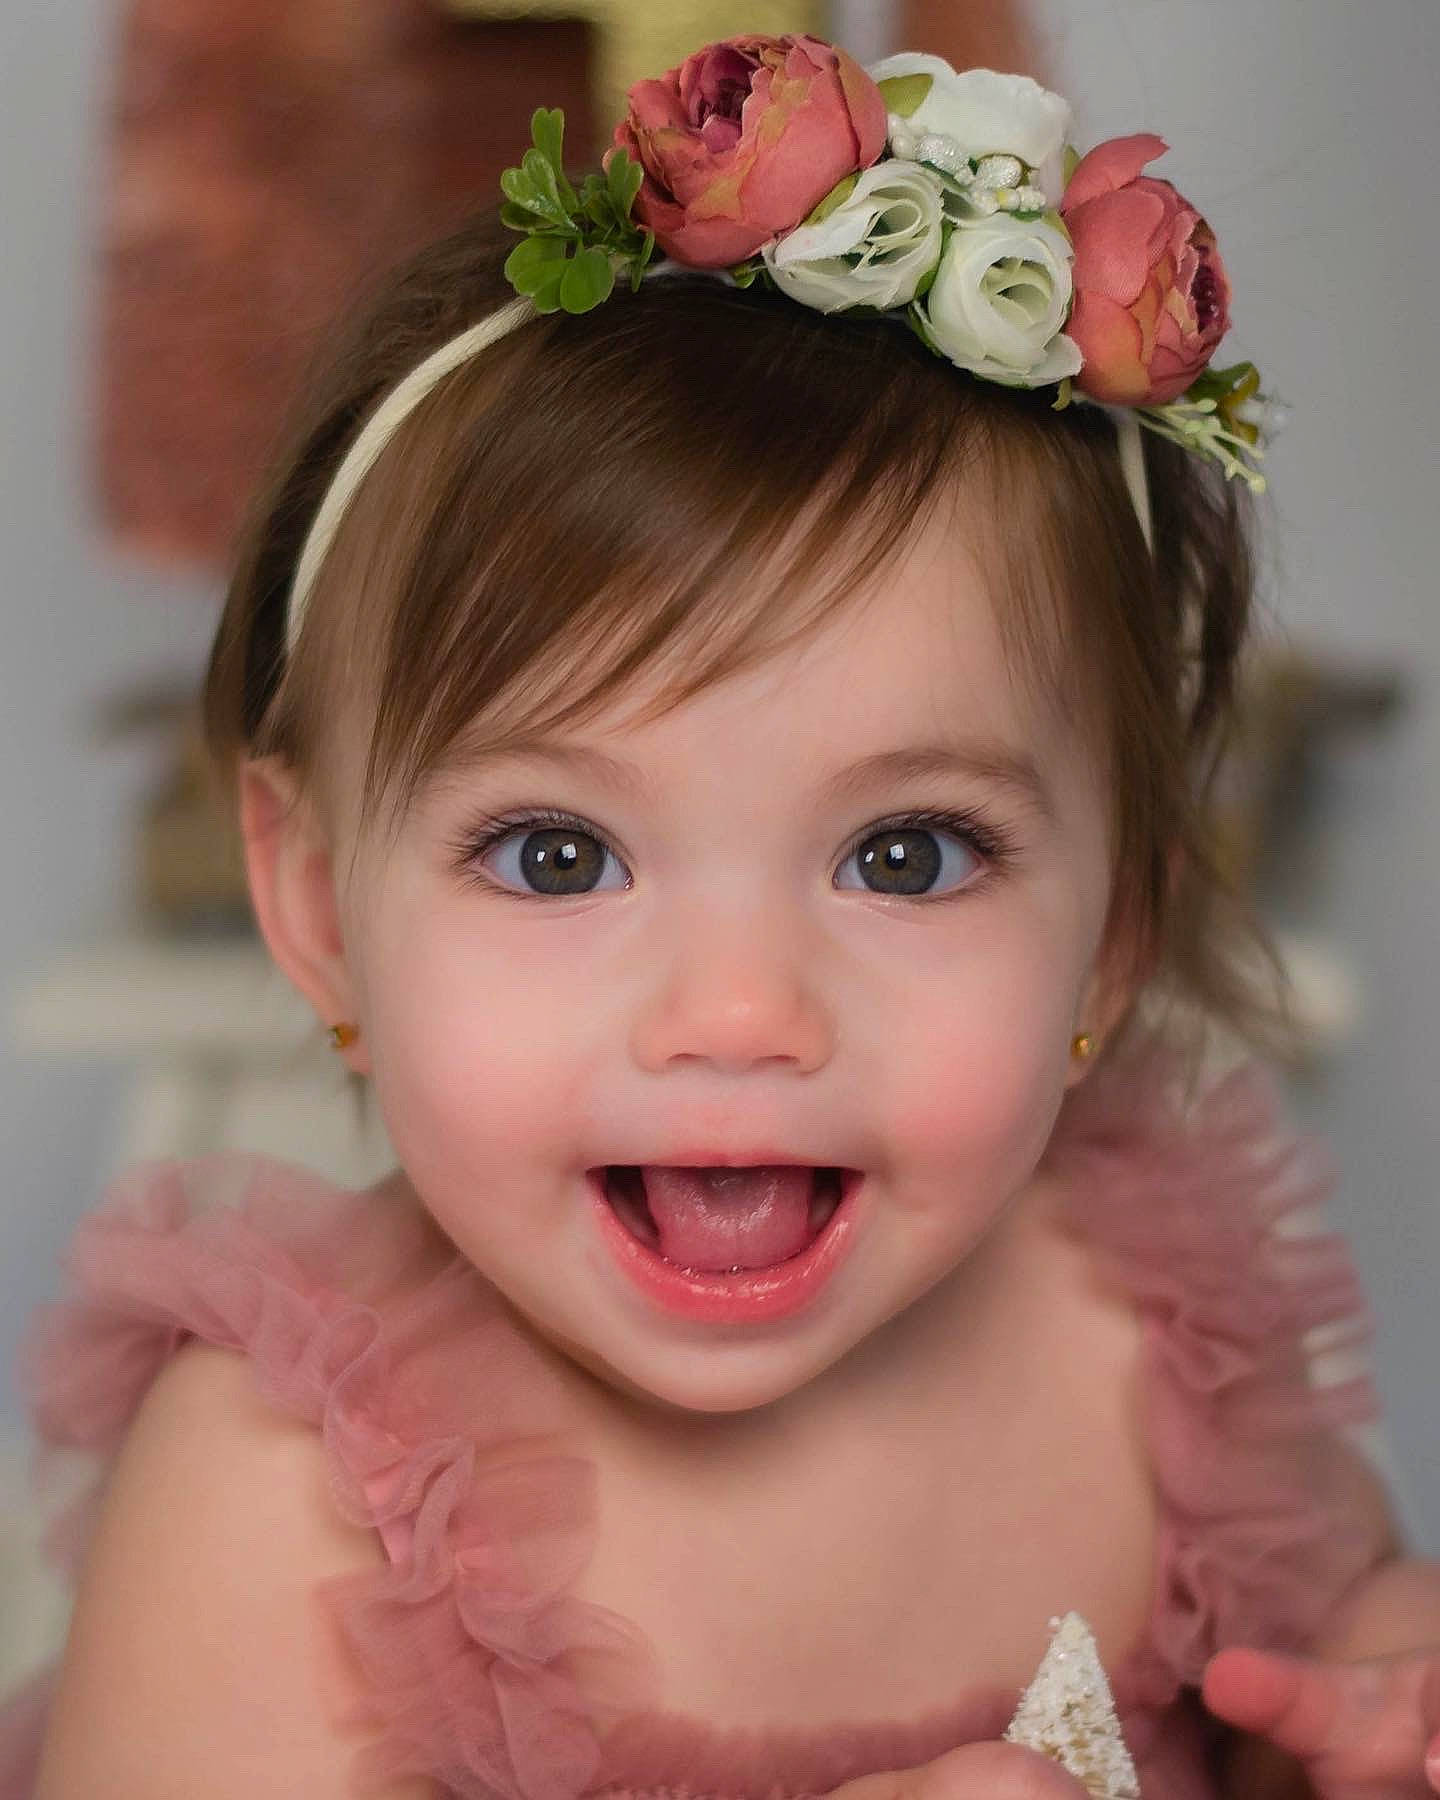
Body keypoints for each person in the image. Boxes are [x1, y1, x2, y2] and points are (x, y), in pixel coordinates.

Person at [2, 32, 1438, 1800]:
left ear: (1118, 929)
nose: (741, 1013)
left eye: (907, 856)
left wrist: (1370, 1701)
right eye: (555, 855)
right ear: (315, 904)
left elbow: (1328, 1645)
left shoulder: (1151, 1330)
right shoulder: (284, 1519)